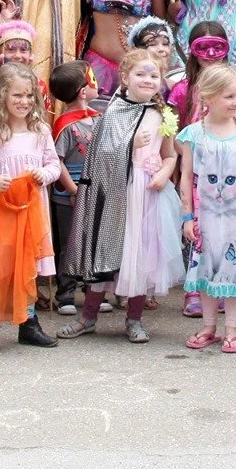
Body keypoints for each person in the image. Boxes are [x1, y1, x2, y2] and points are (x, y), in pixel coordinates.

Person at [59, 50, 172, 341]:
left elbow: (170, 155)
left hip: (146, 196)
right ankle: (88, 318)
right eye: (140, 74)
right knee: (105, 252)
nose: (147, 80)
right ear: (125, 78)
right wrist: (129, 143)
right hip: (115, 195)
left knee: (140, 257)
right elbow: (100, 156)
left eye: (153, 75)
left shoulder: (163, 113)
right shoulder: (113, 111)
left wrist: (163, 174)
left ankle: (134, 319)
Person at [0, 63, 62, 358]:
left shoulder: (40, 131)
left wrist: (43, 175)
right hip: (1, 213)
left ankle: (27, 323)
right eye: (17, 95)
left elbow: (54, 166)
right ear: (3, 96)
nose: (24, 101)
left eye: (29, 95)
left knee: (27, 267)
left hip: (32, 212)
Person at [178, 64, 236, 354]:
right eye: (229, 96)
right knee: (205, 271)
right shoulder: (193, 135)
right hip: (204, 219)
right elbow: (186, 177)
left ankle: (232, 328)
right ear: (208, 97)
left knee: (233, 271)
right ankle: (208, 326)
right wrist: (187, 217)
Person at [46, 62, 99, 317]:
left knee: (92, 241)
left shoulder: (98, 119)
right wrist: (73, 188)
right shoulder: (65, 124)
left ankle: (93, 290)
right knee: (69, 242)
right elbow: (58, 160)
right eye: (92, 79)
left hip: (95, 189)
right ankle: (65, 293)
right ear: (82, 91)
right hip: (70, 194)